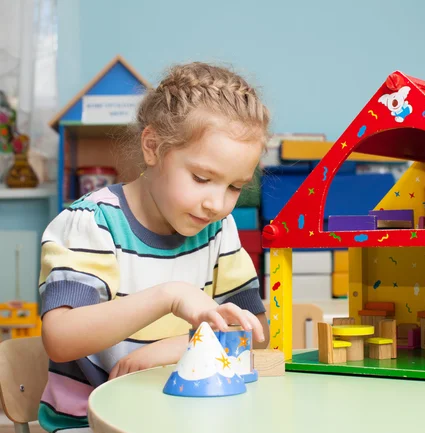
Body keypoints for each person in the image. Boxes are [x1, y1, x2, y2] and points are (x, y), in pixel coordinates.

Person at [37, 62, 270, 432]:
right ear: (153, 147)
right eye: (202, 178)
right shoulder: (91, 224)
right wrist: (169, 296)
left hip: (187, 416)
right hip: (91, 421)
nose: (217, 203)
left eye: (234, 187)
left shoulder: (218, 229)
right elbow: (61, 339)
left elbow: (255, 331)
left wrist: (177, 346)